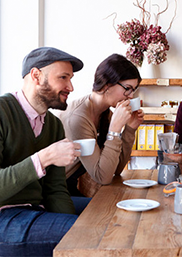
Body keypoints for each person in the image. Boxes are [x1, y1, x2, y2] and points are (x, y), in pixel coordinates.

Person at [0, 47, 84, 257]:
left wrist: (69, 232)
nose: (71, 86)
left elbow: (55, 190)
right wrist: (43, 158)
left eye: (70, 78)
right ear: (36, 75)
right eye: (63, 77)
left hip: (34, 211)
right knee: (88, 233)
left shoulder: (53, 125)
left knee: (100, 223)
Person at [57, 54, 144, 198]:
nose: (130, 96)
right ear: (107, 85)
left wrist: (129, 129)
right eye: (128, 88)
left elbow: (116, 169)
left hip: (73, 187)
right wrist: (115, 130)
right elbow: (103, 176)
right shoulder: (78, 118)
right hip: (58, 192)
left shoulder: (105, 113)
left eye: (133, 90)